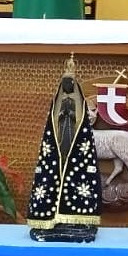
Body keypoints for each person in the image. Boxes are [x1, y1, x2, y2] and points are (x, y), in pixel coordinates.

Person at [26, 56, 102, 242]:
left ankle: (77, 218)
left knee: (74, 171)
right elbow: (54, 119)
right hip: (60, 136)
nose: (68, 87)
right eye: (66, 84)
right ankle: (50, 218)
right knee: (56, 170)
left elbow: (80, 121)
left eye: (71, 84)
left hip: (73, 137)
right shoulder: (58, 106)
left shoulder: (79, 105)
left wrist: (71, 114)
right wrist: (62, 114)